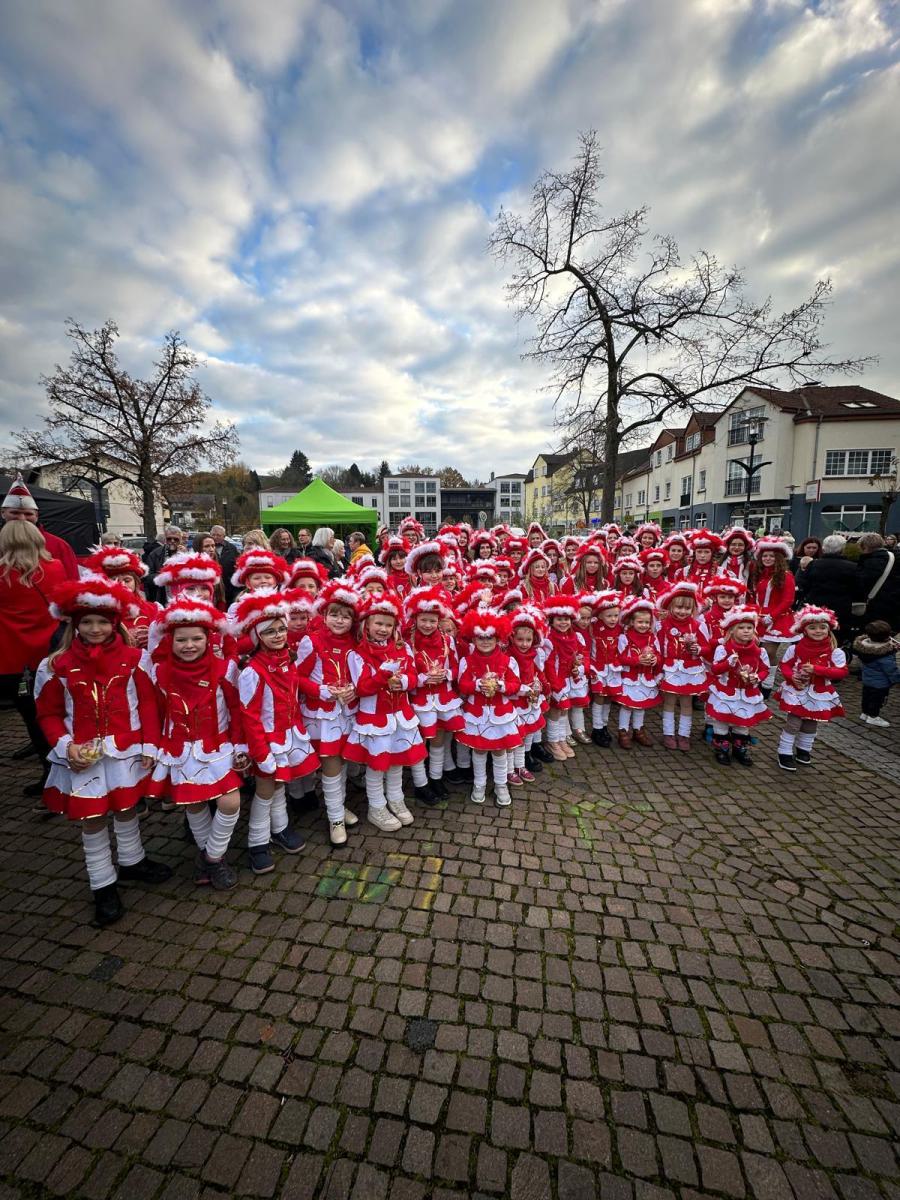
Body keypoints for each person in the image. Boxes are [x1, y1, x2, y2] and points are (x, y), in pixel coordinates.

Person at [34, 573, 172, 926]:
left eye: (102, 622)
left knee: (127, 807)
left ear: (115, 624)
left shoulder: (136, 658)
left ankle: (132, 860)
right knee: (92, 818)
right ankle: (102, 883)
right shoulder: (55, 665)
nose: (95, 629)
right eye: (87, 622)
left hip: (126, 751)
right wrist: (66, 746)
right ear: (74, 625)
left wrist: (150, 744)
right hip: (82, 756)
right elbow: (48, 713)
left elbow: (148, 704)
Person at [145, 599, 246, 889]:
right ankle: (214, 858)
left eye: (196, 639)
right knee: (194, 803)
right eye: (181, 640)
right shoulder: (159, 671)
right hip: (180, 748)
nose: (189, 645)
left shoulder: (225, 668)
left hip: (218, 745)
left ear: (208, 639)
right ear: (170, 640)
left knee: (230, 801)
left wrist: (240, 745)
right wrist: (154, 746)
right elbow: (155, 711)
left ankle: (211, 857)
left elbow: (236, 709)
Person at [235, 591, 318, 873]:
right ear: (258, 637)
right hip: (267, 740)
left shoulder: (288, 660)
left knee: (280, 783)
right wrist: (261, 754)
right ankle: (257, 842)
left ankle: (280, 828)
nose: (278, 635)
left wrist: (322, 691)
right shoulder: (252, 671)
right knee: (265, 789)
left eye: (281, 629)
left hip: (288, 734)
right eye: (269, 632)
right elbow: (250, 717)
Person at [344, 592, 424, 829]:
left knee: (397, 761)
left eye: (388, 625)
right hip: (375, 717)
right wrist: (382, 676)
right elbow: (361, 688)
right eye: (378, 623)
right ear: (367, 625)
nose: (383, 629)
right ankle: (376, 806)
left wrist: (404, 682)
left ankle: (396, 799)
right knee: (377, 764)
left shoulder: (403, 648)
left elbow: (414, 676)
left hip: (400, 715)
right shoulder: (357, 654)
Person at [0, 521, 67, 796]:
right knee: (59, 711)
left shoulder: (3, 575)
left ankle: (50, 771)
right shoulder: (56, 568)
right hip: (52, 652)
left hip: (15, 658)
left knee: (33, 718)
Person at [295, 579, 363, 846]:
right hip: (322, 715)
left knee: (342, 762)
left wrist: (355, 690)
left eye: (346, 616)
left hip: (347, 712)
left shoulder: (355, 642)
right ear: (324, 615)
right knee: (332, 764)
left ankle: (338, 806)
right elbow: (296, 678)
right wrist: (321, 690)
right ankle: (335, 818)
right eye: (334, 614)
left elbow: (360, 675)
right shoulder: (311, 641)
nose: (339, 620)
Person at [455, 609, 521, 806]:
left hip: (501, 713)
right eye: (480, 638)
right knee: (479, 750)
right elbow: (462, 685)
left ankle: (501, 784)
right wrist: (477, 685)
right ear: (473, 639)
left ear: (498, 638)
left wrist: (500, 686)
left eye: (490, 637)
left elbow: (515, 685)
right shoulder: (467, 661)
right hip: (477, 713)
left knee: (500, 751)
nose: (485, 642)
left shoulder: (508, 661)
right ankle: (479, 784)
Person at [405, 587, 464, 803]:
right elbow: (407, 674)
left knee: (438, 740)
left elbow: (457, 668)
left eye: (432, 620)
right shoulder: (408, 643)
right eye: (423, 620)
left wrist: (445, 674)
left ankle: (436, 777)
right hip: (420, 700)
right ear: (415, 619)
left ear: (439, 620)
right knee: (419, 742)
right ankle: (421, 783)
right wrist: (423, 679)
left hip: (443, 698)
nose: (428, 625)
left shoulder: (448, 641)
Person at [775, 604, 847, 771]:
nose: (818, 631)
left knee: (811, 723)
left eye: (822, 627)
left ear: (829, 629)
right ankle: (784, 752)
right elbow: (785, 665)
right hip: (797, 691)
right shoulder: (794, 648)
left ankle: (804, 749)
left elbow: (841, 672)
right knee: (794, 723)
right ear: (804, 630)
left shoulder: (835, 651)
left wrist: (817, 670)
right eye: (813, 627)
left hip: (819, 692)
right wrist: (791, 677)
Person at [705, 606, 771, 766]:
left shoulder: (760, 651)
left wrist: (757, 678)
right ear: (732, 631)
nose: (746, 631)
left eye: (749, 627)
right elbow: (715, 669)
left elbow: (765, 669)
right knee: (722, 719)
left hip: (747, 693)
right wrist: (728, 663)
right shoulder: (723, 649)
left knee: (743, 721)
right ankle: (721, 748)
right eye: (741, 628)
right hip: (726, 691)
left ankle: (739, 748)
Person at [657, 581, 708, 752]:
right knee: (669, 702)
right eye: (679, 607)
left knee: (686, 703)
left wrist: (698, 649)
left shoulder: (698, 625)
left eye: (687, 608)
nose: (682, 611)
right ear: (671, 606)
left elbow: (707, 647)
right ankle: (668, 733)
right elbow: (659, 647)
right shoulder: (663, 625)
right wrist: (659, 669)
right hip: (670, 668)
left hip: (690, 670)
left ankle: (684, 734)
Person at [2, 473, 79, 580]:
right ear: (3, 513)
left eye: (28, 514)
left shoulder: (59, 545)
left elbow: (73, 582)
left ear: (37, 516)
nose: (22, 518)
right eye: (15, 513)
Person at [541, 595, 591, 756]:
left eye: (566, 619)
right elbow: (548, 665)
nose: (563, 623)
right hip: (556, 681)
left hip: (569, 680)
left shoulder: (575, 636)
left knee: (564, 710)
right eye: (559, 619)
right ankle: (552, 741)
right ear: (552, 621)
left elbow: (583, 655)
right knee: (555, 711)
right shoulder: (549, 640)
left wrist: (580, 668)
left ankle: (561, 738)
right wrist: (555, 685)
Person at [615, 596, 661, 749]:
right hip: (630, 677)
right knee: (627, 706)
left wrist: (655, 660)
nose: (644, 625)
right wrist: (637, 660)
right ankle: (623, 731)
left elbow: (659, 655)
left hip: (646, 677)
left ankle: (638, 730)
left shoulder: (652, 638)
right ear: (632, 622)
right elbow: (620, 658)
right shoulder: (625, 638)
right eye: (640, 622)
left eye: (647, 622)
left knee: (641, 705)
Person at [795, 534, 856, 643]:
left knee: (815, 636)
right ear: (842, 549)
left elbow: (804, 585)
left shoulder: (813, 565)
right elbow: (858, 589)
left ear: (823, 548)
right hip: (841, 607)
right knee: (836, 638)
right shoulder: (852, 567)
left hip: (816, 606)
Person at [588, 591, 622, 748]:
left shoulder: (620, 628)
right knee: (600, 696)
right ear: (600, 616)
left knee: (609, 697)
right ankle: (597, 728)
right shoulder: (594, 627)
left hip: (613, 668)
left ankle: (604, 725)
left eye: (616, 616)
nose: (613, 619)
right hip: (598, 668)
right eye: (609, 616)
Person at [853, 620, 900, 727]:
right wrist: (897, 680)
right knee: (877, 700)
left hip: (867, 680)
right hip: (880, 684)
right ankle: (873, 717)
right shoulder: (884, 656)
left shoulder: (865, 646)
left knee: (867, 697)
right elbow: (891, 670)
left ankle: (865, 713)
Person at [855, 533, 900, 631]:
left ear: (865, 547)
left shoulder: (869, 563)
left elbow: (861, 585)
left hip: (875, 607)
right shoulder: (895, 558)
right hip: (894, 604)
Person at [144, 527, 185, 602]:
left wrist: (184, 556)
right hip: (162, 596)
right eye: (169, 539)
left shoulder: (186, 554)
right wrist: (164, 577)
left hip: (182, 596)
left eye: (176, 539)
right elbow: (148, 577)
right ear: (165, 540)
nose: (172, 541)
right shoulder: (155, 554)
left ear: (180, 540)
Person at [211, 525, 239, 604]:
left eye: (218, 535)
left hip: (229, 586)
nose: (215, 537)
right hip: (213, 585)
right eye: (213, 535)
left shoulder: (232, 548)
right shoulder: (206, 547)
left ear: (224, 536)